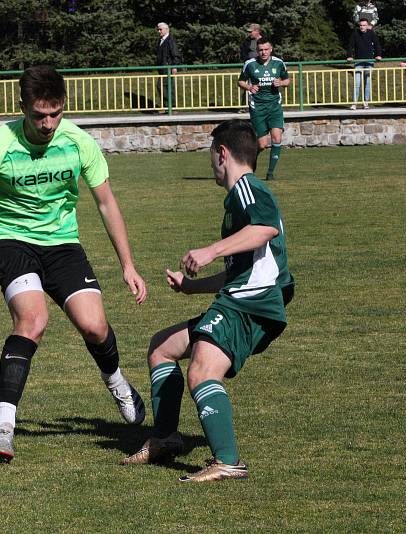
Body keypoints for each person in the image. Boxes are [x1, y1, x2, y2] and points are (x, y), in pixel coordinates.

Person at [0, 65, 148, 462]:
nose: (47, 124)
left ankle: (117, 382)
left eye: (54, 114)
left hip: (61, 243)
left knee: (94, 326)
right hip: (9, 239)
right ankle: (2, 425)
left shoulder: (78, 143)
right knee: (33, 320)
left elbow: (106, 203)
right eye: (38, 115)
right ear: (22, 107)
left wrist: (127, 263)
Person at [120, 120, 294, 483]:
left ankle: (228, 461)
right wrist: (190, 288)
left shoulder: (248, 188)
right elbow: (239, 270)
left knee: (202, 371)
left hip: (252, 302)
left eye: (210, 156)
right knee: (162, 347)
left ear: (222, 153)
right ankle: (166, 439)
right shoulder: (236, 200)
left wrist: (211, 251)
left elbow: (266, 228)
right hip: (242, 295)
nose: (210, 164)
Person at [237, 37, 290, 180]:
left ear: (271, 49)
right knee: (262, 145)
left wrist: (281, 82)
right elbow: (240, 81)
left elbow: (287, 80)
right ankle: (248, 164)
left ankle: (270, 173)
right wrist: (249, 87)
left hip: (274, 106)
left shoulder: (278, 63)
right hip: (257, 107)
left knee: (277, 137)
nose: (263, 52)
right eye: (260, 50)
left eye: (266, 49)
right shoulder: (250, 64)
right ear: (257, 51)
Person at [346, 18, 382, 110]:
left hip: (369, 62)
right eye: (361, 25)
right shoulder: (355, 33)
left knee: (367, 83)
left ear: (367, 25)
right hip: (358, 62)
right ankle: (354, 103)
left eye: (364, 25)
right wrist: (349, 56)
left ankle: (365, 103)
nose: (362, 27)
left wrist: (378, 55)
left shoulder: (371, 33)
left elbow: (377, 44)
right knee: (357, 83)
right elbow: (350, 45)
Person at [156, 22, 183, 109]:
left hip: (168, 68)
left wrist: (174, 66)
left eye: (160, 29)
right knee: (164, 86)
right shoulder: (161, 40)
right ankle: (167, 106)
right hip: (163, 68)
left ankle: (171, 107)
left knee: (165, 86)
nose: (159, 31)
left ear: (167, 29)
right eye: (158, 29)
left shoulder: (170, 40)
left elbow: (176, 54)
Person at [237, 23, 262, 111]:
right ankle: (244, 107)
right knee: (245, 85)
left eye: (251, 32)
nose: (249, 33)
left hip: (262, 66)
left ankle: (261, 104)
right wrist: (247, 62)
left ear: (257, 31)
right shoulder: (246, 41)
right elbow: (243, 53)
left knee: (263, 84)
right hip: (249, 66)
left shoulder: (264, 40)